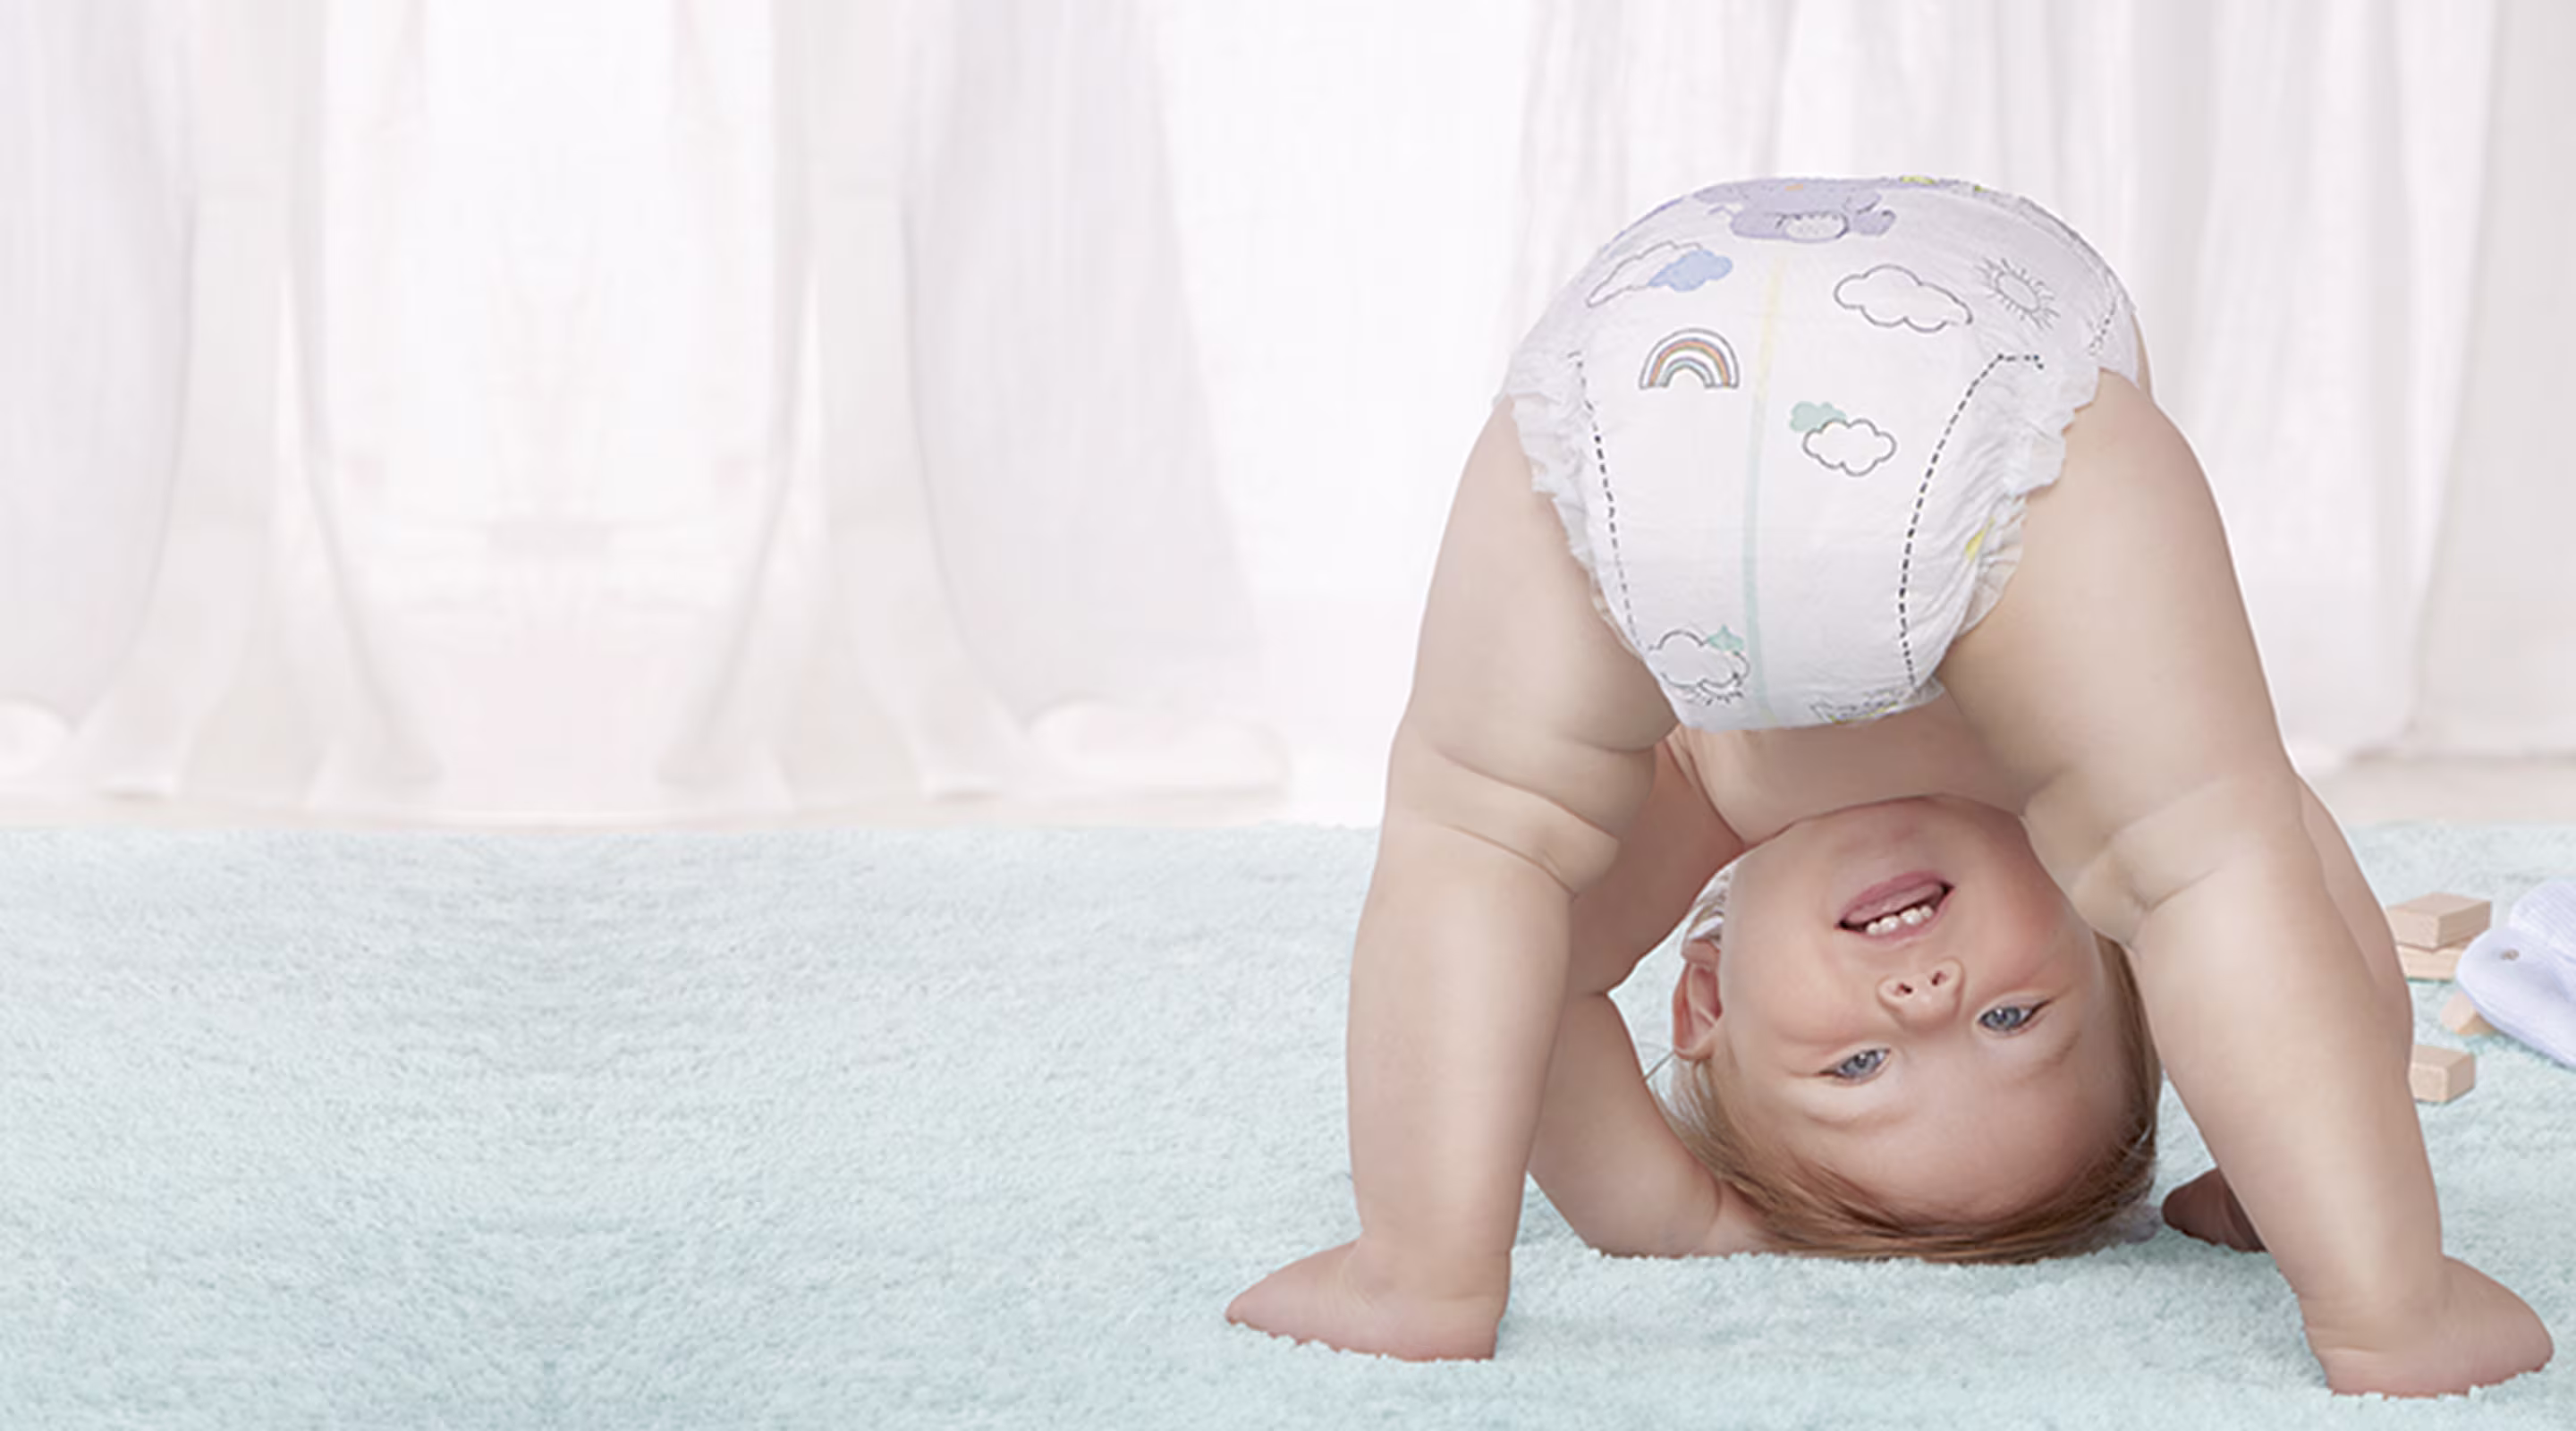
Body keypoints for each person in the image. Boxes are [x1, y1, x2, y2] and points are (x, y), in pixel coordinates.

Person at [1223, 175, 2551, 1396]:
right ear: (2117, 953)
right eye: (2018, 1020)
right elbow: (2306, 936)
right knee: (2212, 862)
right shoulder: (2075, 770)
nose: (1929, 1001)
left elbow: (1538, 991)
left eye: (1858, 1064)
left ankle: (1423, 1268)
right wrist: (2287, 1184)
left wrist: (1678, 1215)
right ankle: (2383, 1305)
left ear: (1704, 994)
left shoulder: (1694, 795)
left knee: (1483, 840)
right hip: (1987, 411)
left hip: (1645, 382)